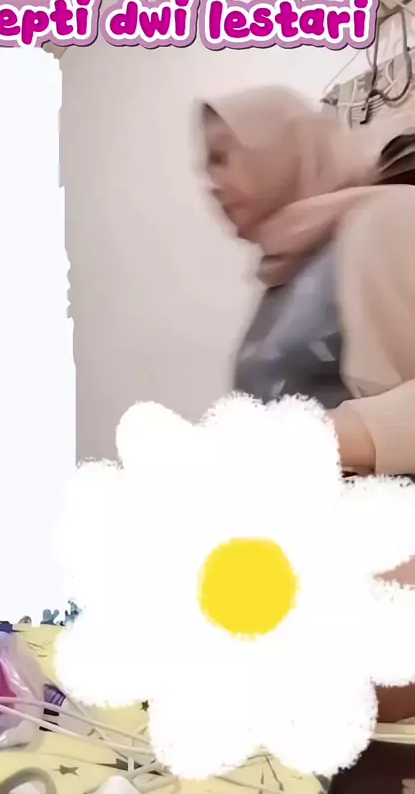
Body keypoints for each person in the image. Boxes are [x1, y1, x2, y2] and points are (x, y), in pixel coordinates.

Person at [199, 86, 415, 787]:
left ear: (279, 151)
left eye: (224, 156)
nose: (211, 181)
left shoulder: (391, 222)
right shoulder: (283, 275)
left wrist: (326, 436)